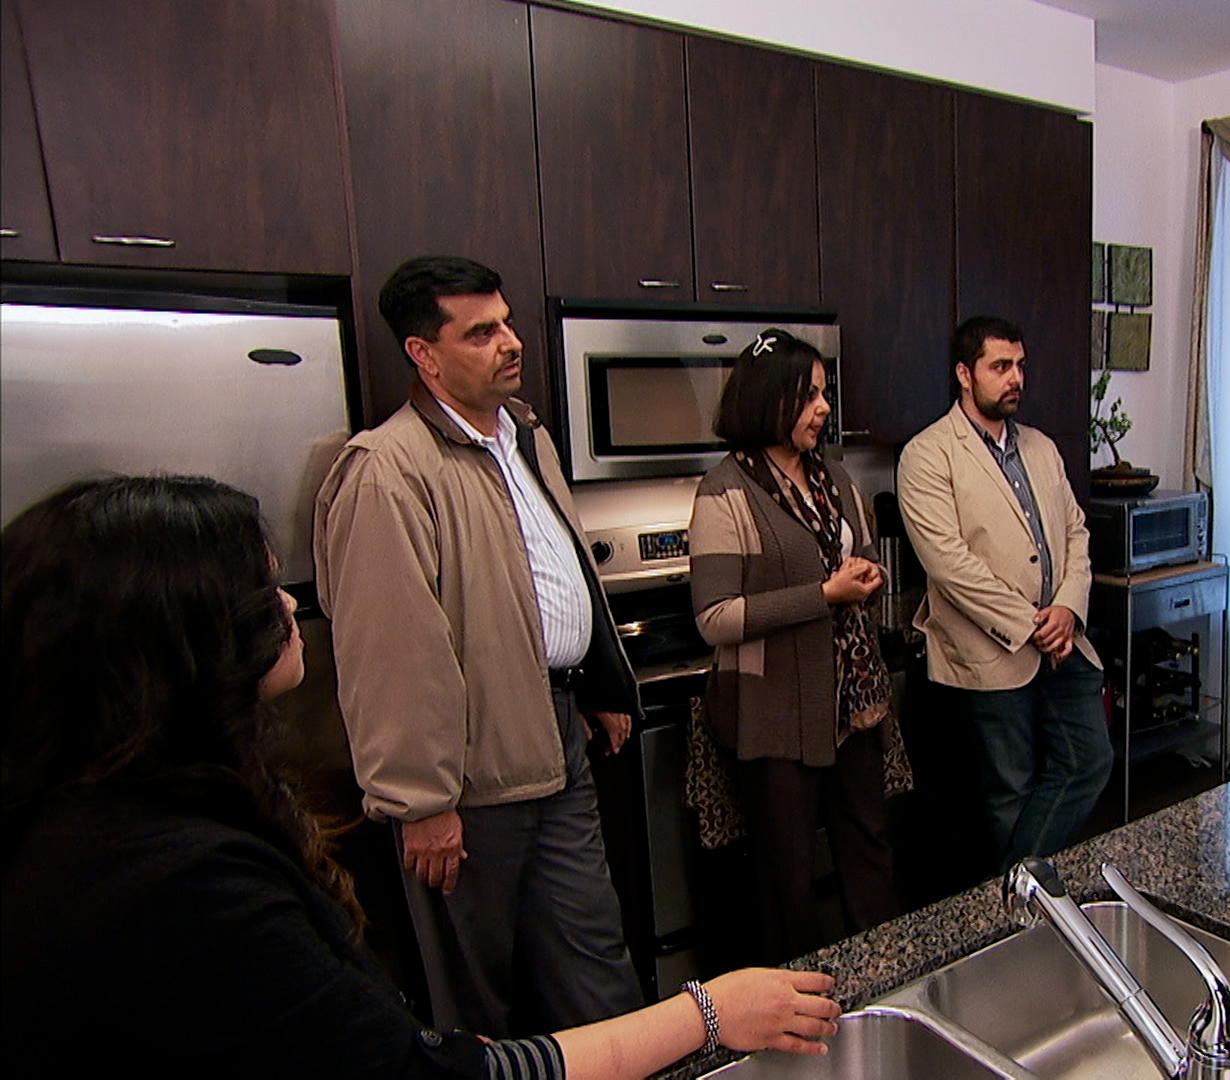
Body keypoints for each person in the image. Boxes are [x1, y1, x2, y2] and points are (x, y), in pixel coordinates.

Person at [0, 474, 842, 1078]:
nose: (289, 603)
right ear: (177, 645)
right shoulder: (182, 888)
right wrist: (708, 1013)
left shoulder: (99, 823)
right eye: (261, 588)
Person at [314, 256, 641, 1035]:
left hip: (556, 735)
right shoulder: (388, 471)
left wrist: (595, 683)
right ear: (423, 354)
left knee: (594, 964)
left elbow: (552, 573)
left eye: (507, 322)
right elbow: (391, 652)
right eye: (481, 332)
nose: (511, 341)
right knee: (477, 998)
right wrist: (421, 802)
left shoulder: (526, 437)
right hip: (466, 771)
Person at [688, 328, 905, 963]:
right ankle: (800, 1005)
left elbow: (862, 553)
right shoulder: (724, 492)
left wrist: (867, 575)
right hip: (774, 715)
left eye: (823, 393)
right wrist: (824, 595)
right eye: (809, 395)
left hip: (853, 706)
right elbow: (715, 617)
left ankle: (885, 979)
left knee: (869, 854)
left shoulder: (834, 476)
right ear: (770, 399)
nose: (824, 407)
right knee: (788, 883)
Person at [897, 315, 1112, 874]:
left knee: (1089, 760)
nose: (1015, 378)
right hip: (991, 652)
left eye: (1019, 365)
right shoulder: (928, 454)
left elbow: (1076, 532)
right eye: (1000, 366)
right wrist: (1033, 624)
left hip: (1064, 642)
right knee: (1008, 791)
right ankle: (1026, 904)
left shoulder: (1041, 447)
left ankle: (1016, 892)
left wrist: (1068, 609)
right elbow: (949, 564)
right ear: (964, 374)